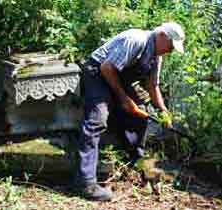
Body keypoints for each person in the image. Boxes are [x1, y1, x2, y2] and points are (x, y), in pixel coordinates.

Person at [75, 22, 185, 201]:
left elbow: (152, 85)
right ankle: (85, 183)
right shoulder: (136, 40)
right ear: (162, 35)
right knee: (97, 120)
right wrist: (124, 99)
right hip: (97, 72)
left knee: (141, 112)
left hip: (116, 76)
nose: (171, 50)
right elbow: (106, 67)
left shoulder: (156, 56)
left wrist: (164, 112)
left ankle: (136, 159)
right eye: (171, 46)